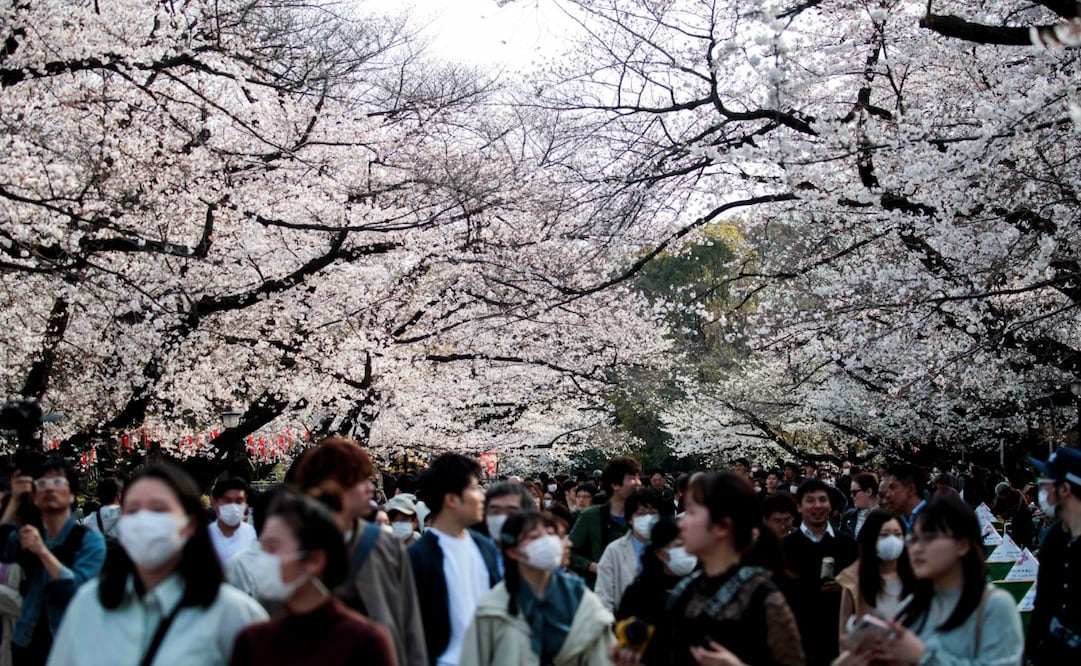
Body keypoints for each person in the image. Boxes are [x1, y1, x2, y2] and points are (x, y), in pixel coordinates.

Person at [47, 464, 267, 665]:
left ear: (189, 523)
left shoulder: (234, 613)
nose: (144, 521)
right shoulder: (90, 604)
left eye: (158, 509)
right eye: (133, 511)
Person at [838, 495, 1023, 666]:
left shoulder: (995, 606)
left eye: (929, 538)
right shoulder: (913, 605)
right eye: (914, 539)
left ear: (963, 545)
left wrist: (923, 656)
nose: (917, 548)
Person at [295, 436, 426, 666]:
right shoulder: (295, 549)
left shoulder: (386, 545)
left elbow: (409, 623)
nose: (370, 488)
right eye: (358, 480)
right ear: (330, 485)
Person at [228, 490, 395, 666]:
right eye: (262, 547)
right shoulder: (252, 641)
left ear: (315, 560)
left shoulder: (365, 642)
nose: (263, 559)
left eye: (273, 547)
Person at [657, 471, 803, 666]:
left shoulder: (762, 596)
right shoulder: (687, 589)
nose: (681, 523)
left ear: (722, 527)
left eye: (692, 512)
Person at [460, 511, 614, 666]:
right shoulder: (491, 609)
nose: (548, 543)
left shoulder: (582, 600)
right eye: (534, 537)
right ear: (512, 552)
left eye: (551, 534)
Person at [0, 457, 106, 665]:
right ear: (35, 497)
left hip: (70, 644)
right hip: (26, 641)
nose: (49, 488)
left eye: (58, 482)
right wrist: (14, 501)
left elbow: (78, 589)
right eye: (42, 483)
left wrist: (42, 552)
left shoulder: (89, 540)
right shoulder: (28, 534)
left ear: (72, 495)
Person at [408, 453, 501, 666]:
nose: (482, 496)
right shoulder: (418, 557)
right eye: (474, 488)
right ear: (451, 500)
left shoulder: (484, 547)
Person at [782, 478, 858, 666]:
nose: (817, 506)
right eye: (810, 500)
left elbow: (861, 587)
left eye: (822, 500)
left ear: (830, 505)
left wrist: (844, 585)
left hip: (837, 637)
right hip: (797, 639)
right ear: (799, 507)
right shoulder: (784, 548)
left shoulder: (848, 545)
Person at [614, 516, 694, 666]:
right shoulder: (638, 593)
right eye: (679, 545)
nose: (687, 551)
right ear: (660, 552)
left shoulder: (701, 587)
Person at [1027, 448, 1081, 663]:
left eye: (1045, 483)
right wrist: (1030, 651)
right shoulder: (1054, 537)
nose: (1041, 489)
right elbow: (1043, 602)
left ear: (1065, 488)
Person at [836, 510, 915, 646]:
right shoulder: (854, 580)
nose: (892, 541)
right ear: (871, 538)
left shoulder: (916, 576)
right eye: (884, 535)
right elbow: (844, 631)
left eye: (898, 534)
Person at [567, 456, 641, 587]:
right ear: (615, 484)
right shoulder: (591, 516)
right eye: (632, 478)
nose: (638, 483)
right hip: (601, 588)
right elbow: (569, 552)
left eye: (638, 478)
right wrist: (591, 566)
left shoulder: (643, 516)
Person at [594, 489, 662, 612]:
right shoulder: (614, 551)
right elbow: (603, 596)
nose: (648, 518)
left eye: (652, 513)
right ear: (630, 518)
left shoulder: (669, 547)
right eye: (641, 514)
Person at [482, 482, 534, 576]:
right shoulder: (474, 550)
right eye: (495, 511)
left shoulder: (536, 552)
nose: (501, 518)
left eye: (511, 512)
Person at [208, 478, 257, 566]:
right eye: (228, 501)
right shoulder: (204, 536)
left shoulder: (254, 536)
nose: (234, 506)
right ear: (214, 502)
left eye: (239, 501)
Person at [882, 463, 927, 531]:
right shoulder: (899, 522)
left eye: (892, 488)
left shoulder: (936, 519)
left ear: (911, 489)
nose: (887, 495)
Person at [840, 473, 879, 538]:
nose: (851, 496)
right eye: (851, 492)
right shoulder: (849, 515)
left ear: (868, 492)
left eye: (854, 492)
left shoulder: (888, 516)